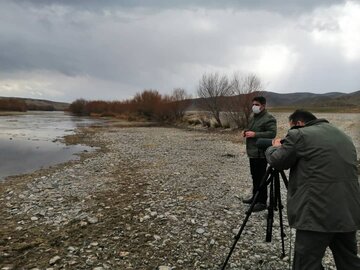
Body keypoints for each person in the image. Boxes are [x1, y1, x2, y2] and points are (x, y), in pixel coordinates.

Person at [265, 109, 360, 270]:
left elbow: (278, 161)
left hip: (316, 214)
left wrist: (273, 147)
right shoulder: (343, 136)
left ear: (299, 124)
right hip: (348, 212)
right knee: (349, 262)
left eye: (291, 128)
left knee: (306, 264)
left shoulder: (300, 135)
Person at [242, 96, 277, 212]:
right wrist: (246, 132)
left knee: (261, 177)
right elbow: (250, 128)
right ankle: (255, 197)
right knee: (254, 176)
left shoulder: (269, 118)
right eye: (253, 104)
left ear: (263, 105)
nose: (254, 106)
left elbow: (272, 133)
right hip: (252, 152)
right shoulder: (253, 117)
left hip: (261, 153)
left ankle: (262, 202)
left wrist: (255, 134)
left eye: (256, 104)